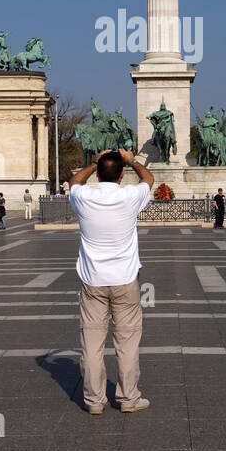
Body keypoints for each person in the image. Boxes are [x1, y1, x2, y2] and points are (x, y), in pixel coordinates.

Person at [68, 148, 154, 415]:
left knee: (92, 343)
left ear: (98, 175)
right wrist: (133, 161)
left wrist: (93, 163)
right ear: (120, 177)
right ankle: (128, 398)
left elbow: (74, 183)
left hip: (92, 280)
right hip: (125, 279)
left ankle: (94, 402)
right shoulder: (129, 196)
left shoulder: (83, 197)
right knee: (127, 341)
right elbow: (148, 180)